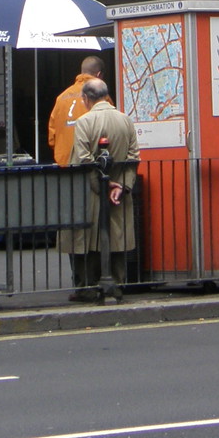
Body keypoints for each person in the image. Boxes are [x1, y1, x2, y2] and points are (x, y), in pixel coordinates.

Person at [66, 78, 140, 301]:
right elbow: (133, 157)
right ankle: (115, 286)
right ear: (107, 96)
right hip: (118, 193)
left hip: (91, 191)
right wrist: (122, 186)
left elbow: (83, 159)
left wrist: (103, 185)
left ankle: (87, 287)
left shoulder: (84, 121)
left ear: (86, 98)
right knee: (116, 240)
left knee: (85, 240)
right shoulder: (125, 120)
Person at [48, 55, 105, 167]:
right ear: (99, 75)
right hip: (91, 165)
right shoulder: (101, 96)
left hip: (64, 164)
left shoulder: (61, 98)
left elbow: (52, 138)